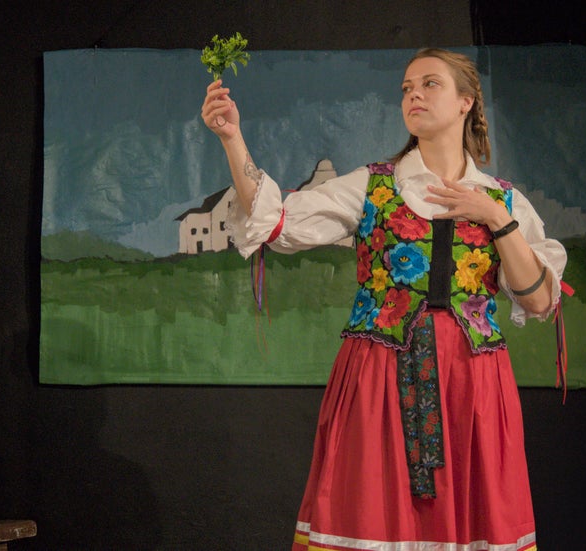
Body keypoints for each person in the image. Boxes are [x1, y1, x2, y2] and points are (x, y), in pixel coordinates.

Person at [202, 47, 566, 551]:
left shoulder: (503, 200)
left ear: (466, 102)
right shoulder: (373, 185)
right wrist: (231, 137)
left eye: (429, 84)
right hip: (380, 374)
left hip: (473, 382)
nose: (413, 94)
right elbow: (275, 221)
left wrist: (494, 218)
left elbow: (542, 299)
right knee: (370, 512)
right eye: (406, 88)